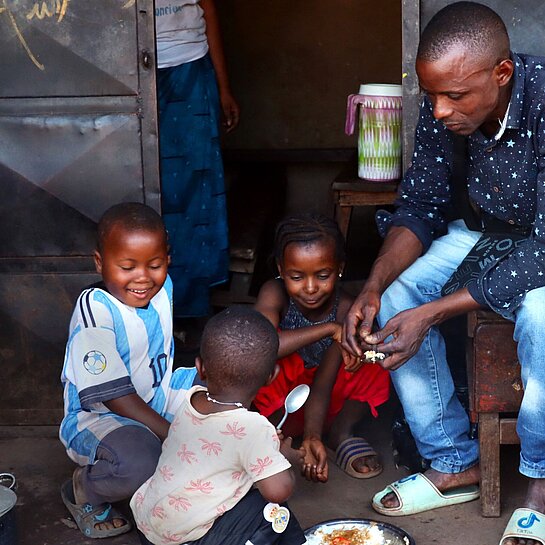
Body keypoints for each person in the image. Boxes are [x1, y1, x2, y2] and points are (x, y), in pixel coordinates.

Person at [341, 3, 545, 544]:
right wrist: (374, 285)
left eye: (455, 96)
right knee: (398, 292)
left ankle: (539, 490)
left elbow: (544, 248)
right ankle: (453, 461)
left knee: (541, 317)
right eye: (431, 95)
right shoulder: (444, 112)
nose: (438, 110)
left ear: (500, 75)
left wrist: (431, 314)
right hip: (488, 230)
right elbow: (420, 208)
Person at [59, 202, 198, 538]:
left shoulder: (163, 289)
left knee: (226, 401)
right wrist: (170, 433)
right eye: (126, 266)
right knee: (142, 462)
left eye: (155, 264)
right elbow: (113, 394)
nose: (142, 278)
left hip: (158, 396)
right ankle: (84, 489)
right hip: (102, 415)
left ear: (167, 259)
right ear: (100, 262)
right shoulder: (95, 308)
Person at [131, 306, 307, 545]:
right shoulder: (254, 428)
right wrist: (286, 459)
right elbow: (279, 490)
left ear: (200, 368)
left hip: (150, 528)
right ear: (271, 377)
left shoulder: (191, 400)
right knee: (273, 510)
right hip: (187, 540)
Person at [253, 213, 390, 483]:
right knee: (265, 362)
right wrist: (328, 330)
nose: (311, 287)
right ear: (280, 270)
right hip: (283, 407)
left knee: (372, 357)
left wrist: (312, 435)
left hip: (328, 404)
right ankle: (275, 438)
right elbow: (261, 345)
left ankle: (341, 433)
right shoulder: (274, 293)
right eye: (296, 276)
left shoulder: (346, 309)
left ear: (340, 267)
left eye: (323, 275)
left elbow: (322, 384)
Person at [155, 0, 240, 320]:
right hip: (133, 69)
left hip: (190, 68)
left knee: (195, 191)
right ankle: (148, 303)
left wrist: (223, 88)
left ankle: (190, 309)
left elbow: (209, 10)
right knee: (150, 185)